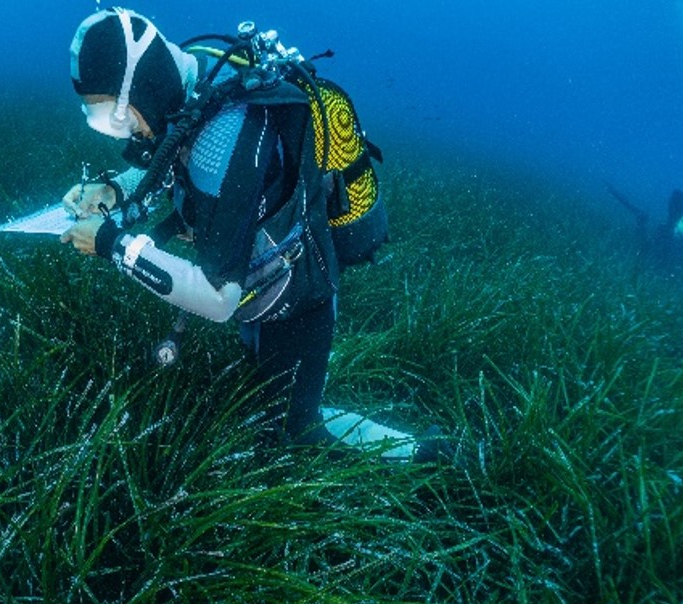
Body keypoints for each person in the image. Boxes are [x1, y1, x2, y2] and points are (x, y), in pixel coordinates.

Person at [59, 8, 447, 461]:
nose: (118, 133)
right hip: (259, 286)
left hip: (295, 300)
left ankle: (429, 456)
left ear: (143, 86)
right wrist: (114, 189)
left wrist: (111, 244)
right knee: (264, 400)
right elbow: (167, 160)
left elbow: (218, 298)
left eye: (115, 118)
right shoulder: (195, 79)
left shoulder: (222, 141)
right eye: (101, 121)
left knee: (297, 434)